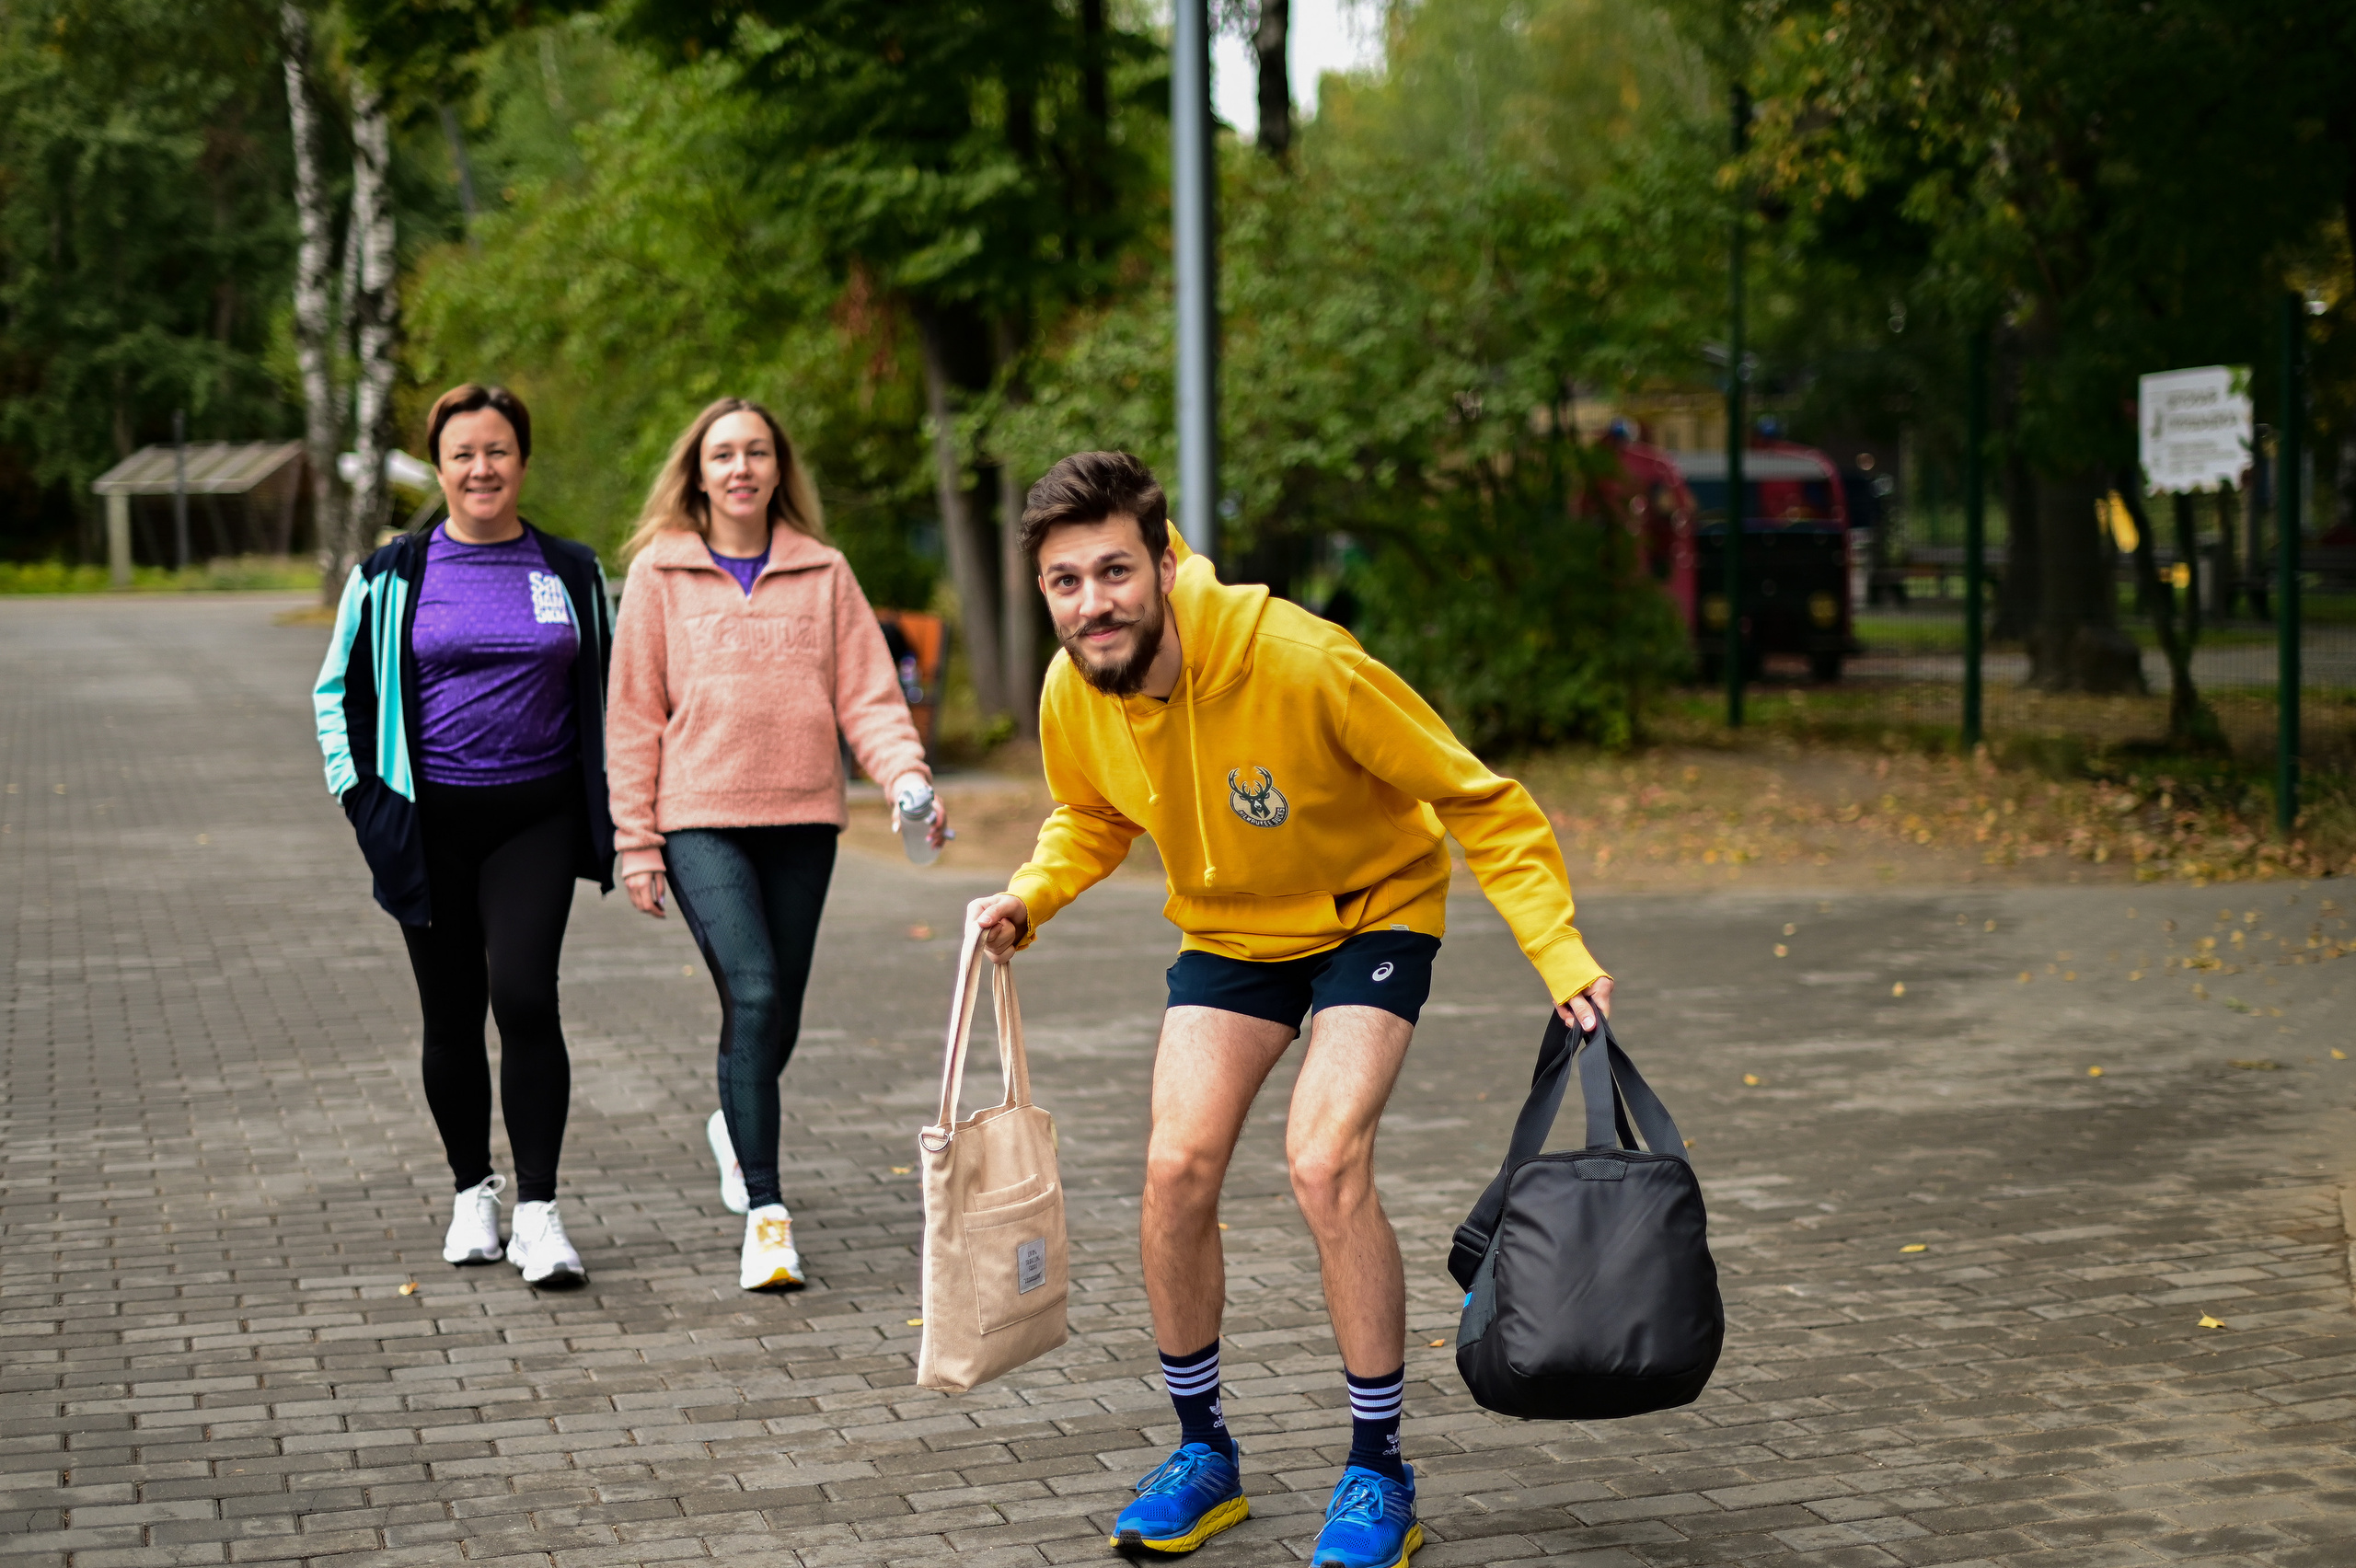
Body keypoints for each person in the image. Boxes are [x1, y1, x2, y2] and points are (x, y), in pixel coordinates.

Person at [968, 452, 1612, 1568]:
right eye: (1065, 583)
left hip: (1372, 914)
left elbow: (1480, 800)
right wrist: (1031, 897)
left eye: (1114, 572)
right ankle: (1202, 1452)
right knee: (1174, 1170)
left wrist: (1557, 953)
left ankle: (1377, 1470)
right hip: (1229, 932)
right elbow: (1089, 815)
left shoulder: (1304, 662)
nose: (1092, 603)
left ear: (1164, 565)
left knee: (1322, 1162)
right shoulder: (1078, 687)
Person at [606, 398, 945, 1292]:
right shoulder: (659, 575)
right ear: (698, 472)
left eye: (757, 452)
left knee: (778, 1011)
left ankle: (733, 1115)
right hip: (698, 817)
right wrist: (636, 842)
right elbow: (633, 713)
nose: (741, 467)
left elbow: (869, 698)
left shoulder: (823, 572)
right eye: (723, 453)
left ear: (778, 469)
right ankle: (767, 1216)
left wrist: (907, 779)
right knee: (752, 994)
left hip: (801, 818)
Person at [314, 383, 615, 1288]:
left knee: (524, 996)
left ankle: (539, 1214)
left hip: (537, 817)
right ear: (440, 467)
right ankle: (470, 1193)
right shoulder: (390, 574)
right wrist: (364, 802)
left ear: (521, 462)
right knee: (448, 1015)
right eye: (462, 453)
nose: (481, 467)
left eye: (497, 450)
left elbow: (612, 695)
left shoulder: (570, 570)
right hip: (428, 822)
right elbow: (338, 696)